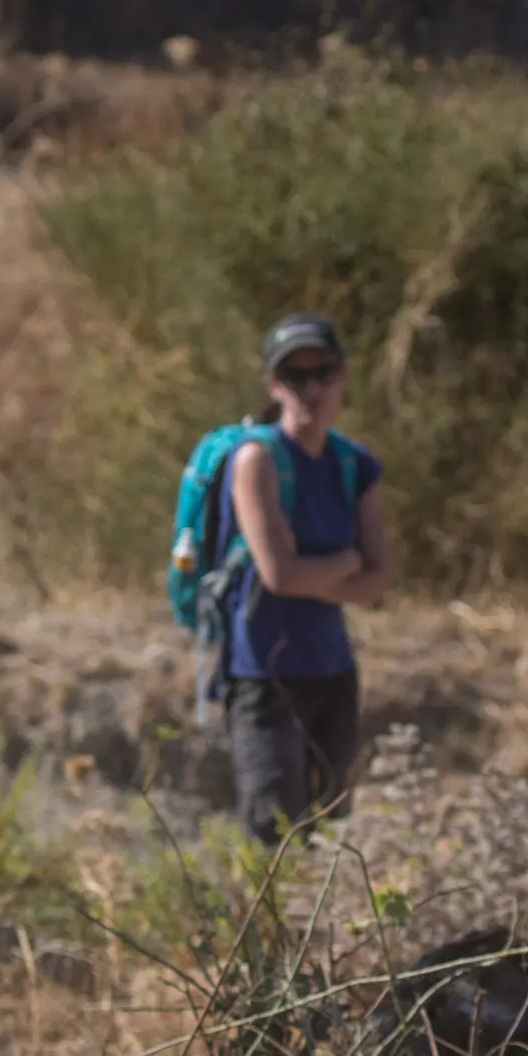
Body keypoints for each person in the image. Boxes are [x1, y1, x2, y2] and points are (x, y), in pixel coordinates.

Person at [222, 314, 390, 841]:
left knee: (330, 828)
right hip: (266, 673)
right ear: (274, 386)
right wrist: (343, 563)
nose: (312, 389)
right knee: (274, 833)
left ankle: (321, 928)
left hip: (332, 667)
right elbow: (279, 575)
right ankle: (267, 927)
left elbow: (380, 577)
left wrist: (315, 571)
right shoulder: (257, 459)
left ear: (342, 376)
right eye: (296, 377)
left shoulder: (352, 463)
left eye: (323, 372)